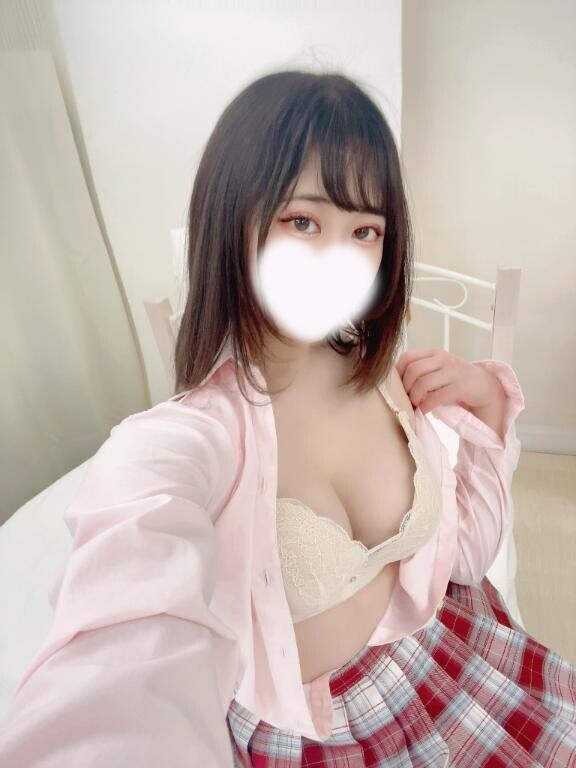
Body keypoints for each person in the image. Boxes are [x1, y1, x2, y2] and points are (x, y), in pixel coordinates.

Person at [0, 69, 575, 767]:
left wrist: (487, 406)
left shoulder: (383, 374)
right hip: (332, 739)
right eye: (303, 222)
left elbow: (462, 562)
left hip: (455, 651)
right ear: (231, 220)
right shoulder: (189, 440)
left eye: (364, 230)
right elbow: (115, 672)